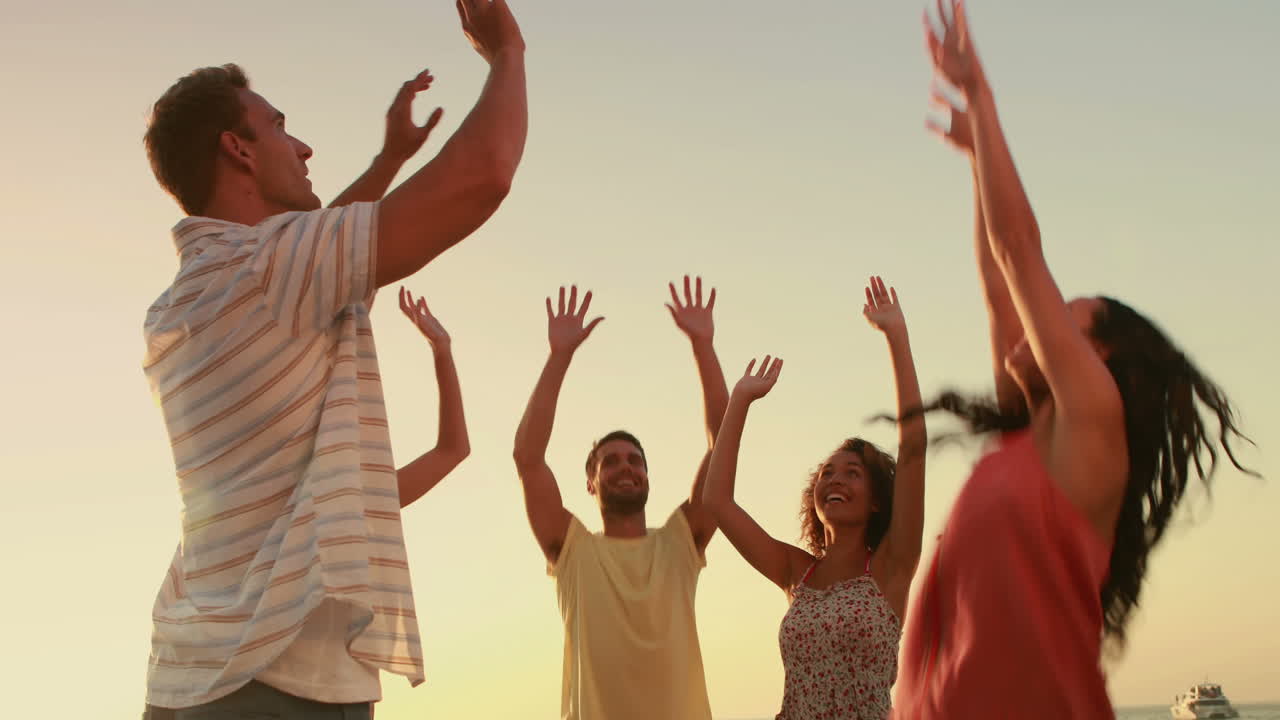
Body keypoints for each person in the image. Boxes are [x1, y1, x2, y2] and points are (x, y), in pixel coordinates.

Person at [139, 1, 526, 716]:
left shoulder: (193, 293)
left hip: (197, 678)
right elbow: (485, 175)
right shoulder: (264, 269)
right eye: (281, 126)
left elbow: (316, 257)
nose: (306, 149)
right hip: (276, 685)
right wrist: (508, 52)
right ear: (239, 149)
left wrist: (389, 161)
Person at [892, 2, 1257, 717]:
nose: (1039, 322)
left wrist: (983, 100)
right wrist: (975, 164)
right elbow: (1001, 292)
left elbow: (1018, 254)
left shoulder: (1092, 425)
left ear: (1104, 359)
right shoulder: (1025, 438)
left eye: (1063, 316)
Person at [702, 277, 927, 720]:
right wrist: (740, 401)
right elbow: (717, 502)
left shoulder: (891, 566)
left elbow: (915, 446)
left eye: (853, 473)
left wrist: (897, 336)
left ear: (878, 499)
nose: (835, 479)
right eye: (827, 472)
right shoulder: (796, 574)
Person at [511, 277, 728, 720]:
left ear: (648, 475)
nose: (625, 467)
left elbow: (723, 444)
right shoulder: (573, 550)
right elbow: (528, 458)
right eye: (609, 462)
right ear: (590, 483)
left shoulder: (680, 543)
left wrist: (703, 345)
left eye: (634, 460)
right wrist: (559, 356)